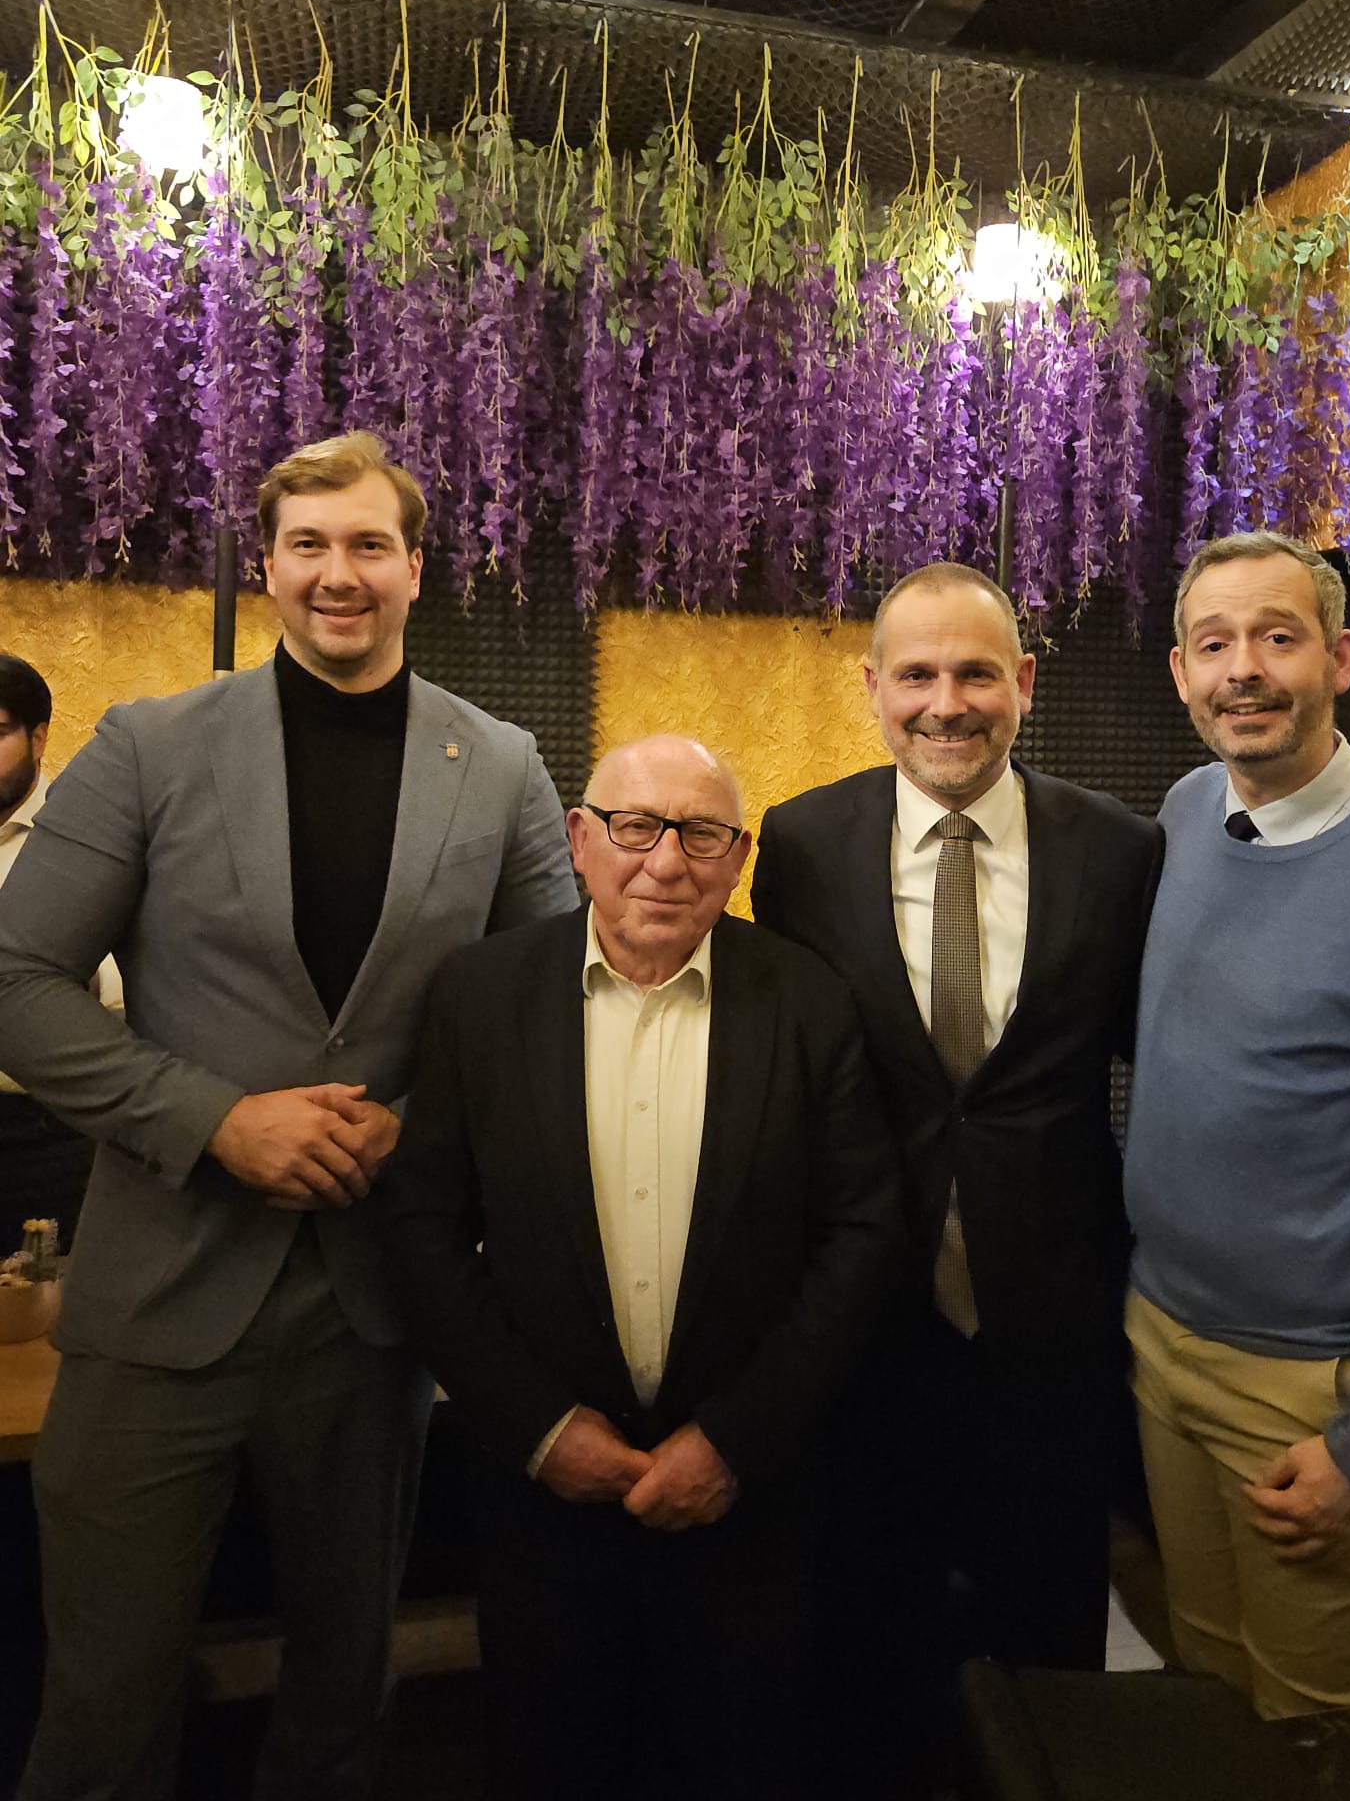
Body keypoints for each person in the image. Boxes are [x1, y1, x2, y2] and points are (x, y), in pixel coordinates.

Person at [0, 431, 578, 1801]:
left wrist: (416, 1126)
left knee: (341, 1700)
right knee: (104, 1710)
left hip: (372, 1319)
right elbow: (16, 979)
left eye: (369, 544)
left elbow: (551, 1002)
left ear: (417, 568)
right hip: (154, 1308)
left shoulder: (501, 764)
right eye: (308, 544)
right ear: (265, 566)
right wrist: (216, 1120)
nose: (338, 573)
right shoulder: (148, 746)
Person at [378, 733, 898, 1801]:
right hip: (545, 1506)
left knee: (743, 1762)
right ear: (579, 839)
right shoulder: (479, 996)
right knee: (553, 1760)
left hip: (749, 1500)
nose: (665, 861)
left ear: (738, 858)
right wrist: (539, 1427)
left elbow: (862, 1236)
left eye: (700, 834)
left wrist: (734, 1438)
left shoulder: (809, 1001)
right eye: (634, 827)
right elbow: (422, 1228)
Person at [752, 562, 1161, 1793]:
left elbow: (1160, 1052)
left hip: (1052, 1321)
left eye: (977, 672)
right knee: (864, 1638)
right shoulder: (803, 843)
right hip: (867, 1316)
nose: (947, 702)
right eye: (918, 674)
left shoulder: (1121, 847)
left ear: (1024, 682)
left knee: (1049, 1649)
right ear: (872, 687)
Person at [1124, 529, 1350, 1717]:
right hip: (1163, 1341)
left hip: (1316, 1392)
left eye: (1277, 637)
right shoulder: (1187, 811)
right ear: (1182, 674)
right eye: (1214, 642)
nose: (1243, 667)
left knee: (1317, 1727)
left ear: (1339, 659)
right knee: (1206, 1679)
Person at [0, 654, 122, 1253]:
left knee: (41, 1293)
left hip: (47, 1130)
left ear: (39, 736)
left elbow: (120, 998)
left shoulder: (84, 835)